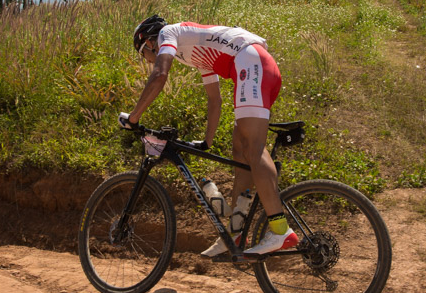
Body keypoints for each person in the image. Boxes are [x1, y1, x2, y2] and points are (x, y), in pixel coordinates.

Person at [119, 15, 298, 257]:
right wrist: (207, 141)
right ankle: (236, 233)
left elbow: (160, 75)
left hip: (251, 63)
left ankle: (280, 230)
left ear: (148, 43)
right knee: (241, 153)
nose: (147, 60)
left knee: (253, 149)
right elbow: (215, 99)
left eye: (144, 55)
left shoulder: (168, 34)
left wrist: (134, 117)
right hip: (255, 65)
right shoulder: (194, 48)